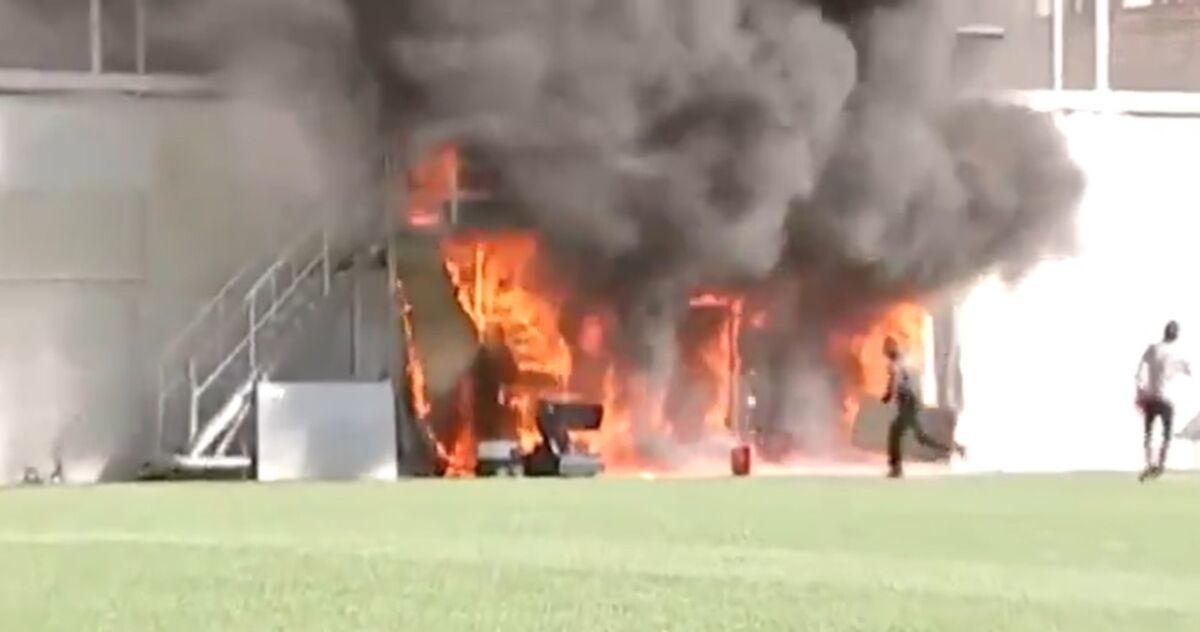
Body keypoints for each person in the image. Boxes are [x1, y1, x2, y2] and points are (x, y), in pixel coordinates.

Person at [882, 336, 965, 478]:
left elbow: (897, 381)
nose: (885, 351)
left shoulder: (896, 362)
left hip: (908, 404)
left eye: (887, 347)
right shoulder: (899, 361)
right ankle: (956, 448)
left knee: (896, 433)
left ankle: (896, 467)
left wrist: (889, 395)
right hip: (908, 404)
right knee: (921, 438)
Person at [1135, 320, 1191, 482]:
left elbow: (1139, 372)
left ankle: (1149, 462)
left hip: (1151, 398)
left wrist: (1140, 388)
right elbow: (1187, 370)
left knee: (1149, 433)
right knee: (1166, 434)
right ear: (1175, 335)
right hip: (1167, 400)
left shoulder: (1152, 349)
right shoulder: (1175, 353)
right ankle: (1160, 464)